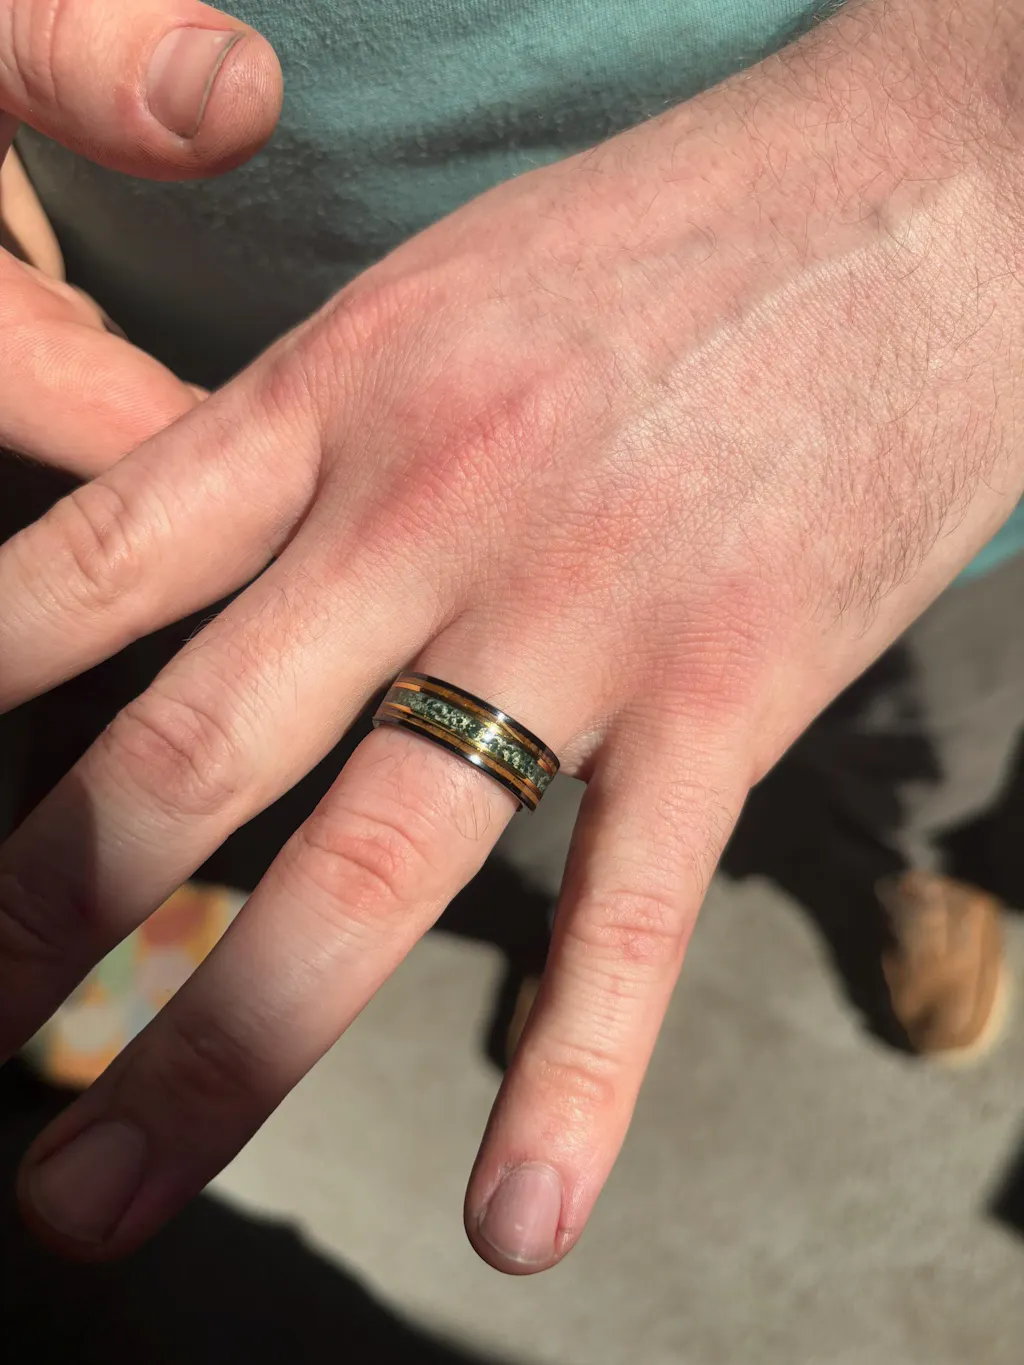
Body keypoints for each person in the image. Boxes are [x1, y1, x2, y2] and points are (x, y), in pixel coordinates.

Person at [1, 0, 1023, 1277]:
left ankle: (902, 861)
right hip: (215, 337)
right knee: (461, 780)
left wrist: (978, 139)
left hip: (937, 387)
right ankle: (549, 915)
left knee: (928, 724)